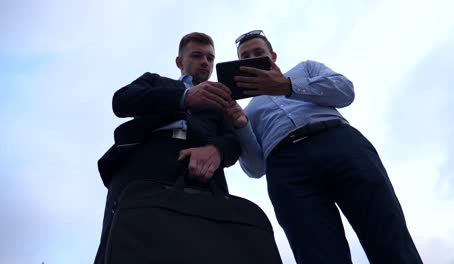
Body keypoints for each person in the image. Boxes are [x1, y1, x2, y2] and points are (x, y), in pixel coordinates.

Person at [225, 30, 423, 264]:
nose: (251, 58)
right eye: (245, 56)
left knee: (388, 232)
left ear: (273, 56)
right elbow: (255, 168)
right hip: (285, 166)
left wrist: (288, 86)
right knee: (316, 253)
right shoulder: (246, 112)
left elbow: (345, 91)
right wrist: (240, 127)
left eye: (258, 53)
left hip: (339, 141)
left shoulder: (306, 69)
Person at [94, 32, 240, 263]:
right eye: (197, 55)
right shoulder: (155, 81)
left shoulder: (221, 102)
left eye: (210, 58)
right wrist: (184, 97)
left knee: (202, 248)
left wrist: (216, 150)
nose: (205, 62)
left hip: (200, 174)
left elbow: (233, 141)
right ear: (180, 62)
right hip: (142, 165)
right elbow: (121, 101)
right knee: (125, 242)